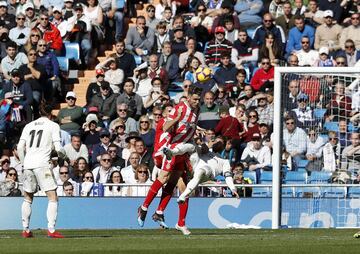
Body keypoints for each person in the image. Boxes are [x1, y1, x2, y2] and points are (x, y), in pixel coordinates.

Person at [138, 86, 202, 235]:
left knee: (184, 188)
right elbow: (166, 127)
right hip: (171, 149)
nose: (197, 102)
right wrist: (178, 118)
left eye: (199, 99)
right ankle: (145, 207)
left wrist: (196, 129)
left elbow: (188, 125)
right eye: (195, 99)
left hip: (184, 150)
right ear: (188, 96)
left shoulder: (197, 109)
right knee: (164, 177)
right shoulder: (180, 108)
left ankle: (179, 222)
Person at [17, 104, 66, 238]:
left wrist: (23, 163)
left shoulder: (29, 126)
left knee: (27, 198)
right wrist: (64, 158)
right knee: (52, 197)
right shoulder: (53, 126)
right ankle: (51, 229)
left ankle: (25, 230)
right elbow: (59, 149)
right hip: (42, 164)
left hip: (28, 164)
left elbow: (20, 148)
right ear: (51, 113)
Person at [178, 138, 239, 202]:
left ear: (224, 146)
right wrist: (198, 141)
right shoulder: (206, 150)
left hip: (208, 174)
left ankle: (183, 195)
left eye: (220, 142)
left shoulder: (225, 162)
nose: (217, 143)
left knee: (201, 171)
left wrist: (232, 188)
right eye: (215, 141)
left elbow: (228, 176)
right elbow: (196, 147)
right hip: (193, 169)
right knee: (191, 148)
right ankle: (172, 152)